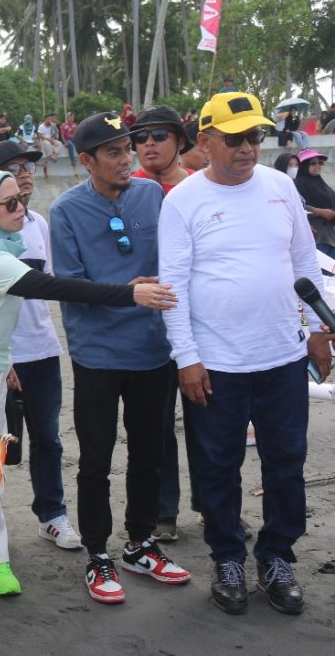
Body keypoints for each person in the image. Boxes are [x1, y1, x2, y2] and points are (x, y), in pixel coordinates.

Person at [0, 167, 176, 596]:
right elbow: (55, 287)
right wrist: (128, 292)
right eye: (8, 204)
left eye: (21, 199)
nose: (20, 209)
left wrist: (3, 361)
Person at [159, 90, 327, 616]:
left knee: (286, 462)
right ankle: (228, 556)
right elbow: (174, 284)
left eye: (254, 136)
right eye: (234, 139)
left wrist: (320, 327)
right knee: (216, 466)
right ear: (205, 142)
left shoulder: (280, 187)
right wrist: (186, 357)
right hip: (217, 364)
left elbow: (305, 258)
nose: (247, 148)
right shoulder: (182, 200)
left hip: (282, 355)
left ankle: (276, 557)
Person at [50, 113, 191, 605]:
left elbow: (175, 260)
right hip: (98, 355)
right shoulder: (66, 210)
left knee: (149, 453)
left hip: (153, 350)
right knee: (96, 457)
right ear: (86, 160)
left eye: (127, 148)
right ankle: (97, 553)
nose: (127, 158)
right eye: (113, 152)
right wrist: (127, 292)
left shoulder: (152, 194)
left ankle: (140, 543)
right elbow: (69, 283)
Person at [0, 140, 81, 554]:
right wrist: (2, 356)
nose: (25, 174)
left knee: (48, 438)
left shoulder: (38, 223)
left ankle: (52, 516)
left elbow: (52, 284)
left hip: (41, 350)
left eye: (29, 168)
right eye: (15, 167)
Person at [127, 105, 201, 544]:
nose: (148, 144)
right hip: (147, 328)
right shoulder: (125, 189)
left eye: (158, 135)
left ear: (180, 141)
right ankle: (163, 512)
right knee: (156, 427)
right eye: (141, 137)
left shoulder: (200, 188)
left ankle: (213, 505)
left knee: (208, 421)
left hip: (197, 324)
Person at [293, 148, 335, 259]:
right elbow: (295, 206)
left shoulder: (323, 184)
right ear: (304, 165)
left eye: (320, 163)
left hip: (330, 238)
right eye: (313, 163)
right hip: (313, 239)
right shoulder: (296, 184)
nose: (318, 166)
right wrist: (319, 212)